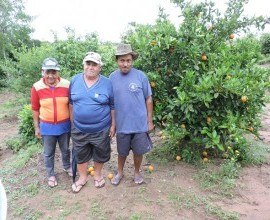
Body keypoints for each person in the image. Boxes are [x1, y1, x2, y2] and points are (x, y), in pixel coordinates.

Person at [69, 52, 115, 193]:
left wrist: (113, 125)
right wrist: (73, 122)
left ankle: (98, 174)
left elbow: (112, 106)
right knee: (80, 153)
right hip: (79, 128)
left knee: (100, 152)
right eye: (88, 63)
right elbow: (70, 103)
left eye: (94, 64)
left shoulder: (107, 83)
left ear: (100, 67)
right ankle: (82, 178)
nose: (91, 67)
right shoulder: (75, 80)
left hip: (101, 128)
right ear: (83, 65)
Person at [109, 43, 154, 186]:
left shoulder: (141, 76)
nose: (125, 64)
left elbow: (148, 98)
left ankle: (136, 172)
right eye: (122, 60)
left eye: (128, 60)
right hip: (122, 124)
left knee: (138, 151)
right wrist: (113, 124)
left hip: (139, 123)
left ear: (132, 60)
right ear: (117, 61)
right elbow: (111, 104)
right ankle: (120, 172)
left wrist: (149, 121)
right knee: (121, 152)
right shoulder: (112, 78)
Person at [31, 58, 72, 188]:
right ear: (43, 72)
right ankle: (51, 174)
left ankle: (67, 166)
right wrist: (37, 127)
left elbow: (71, 104)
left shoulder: (67, 84)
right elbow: (35, 108)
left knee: (65, 149)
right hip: (47, 127)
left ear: (58, 72)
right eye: (48, 72)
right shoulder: (37, 87)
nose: (51, 75)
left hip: (65, 125)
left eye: (54, 72)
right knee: (48, 152)